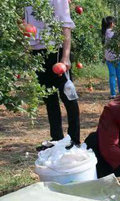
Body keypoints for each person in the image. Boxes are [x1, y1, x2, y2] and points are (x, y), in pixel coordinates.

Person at [25, 0, 80, 150]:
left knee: (68, 96)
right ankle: (56, 138)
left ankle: (74, 139)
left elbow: (66, 26)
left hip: (56, 51)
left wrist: (66, 57)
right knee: (48, 97)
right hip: (37, 53)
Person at [101, 16, 120, 99]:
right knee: (119, 75)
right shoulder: (115, 32)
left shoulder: (105, 32)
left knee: (112, 75)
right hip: (119, 56)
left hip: (109, 57)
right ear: (112, 24)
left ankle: (113, 94)